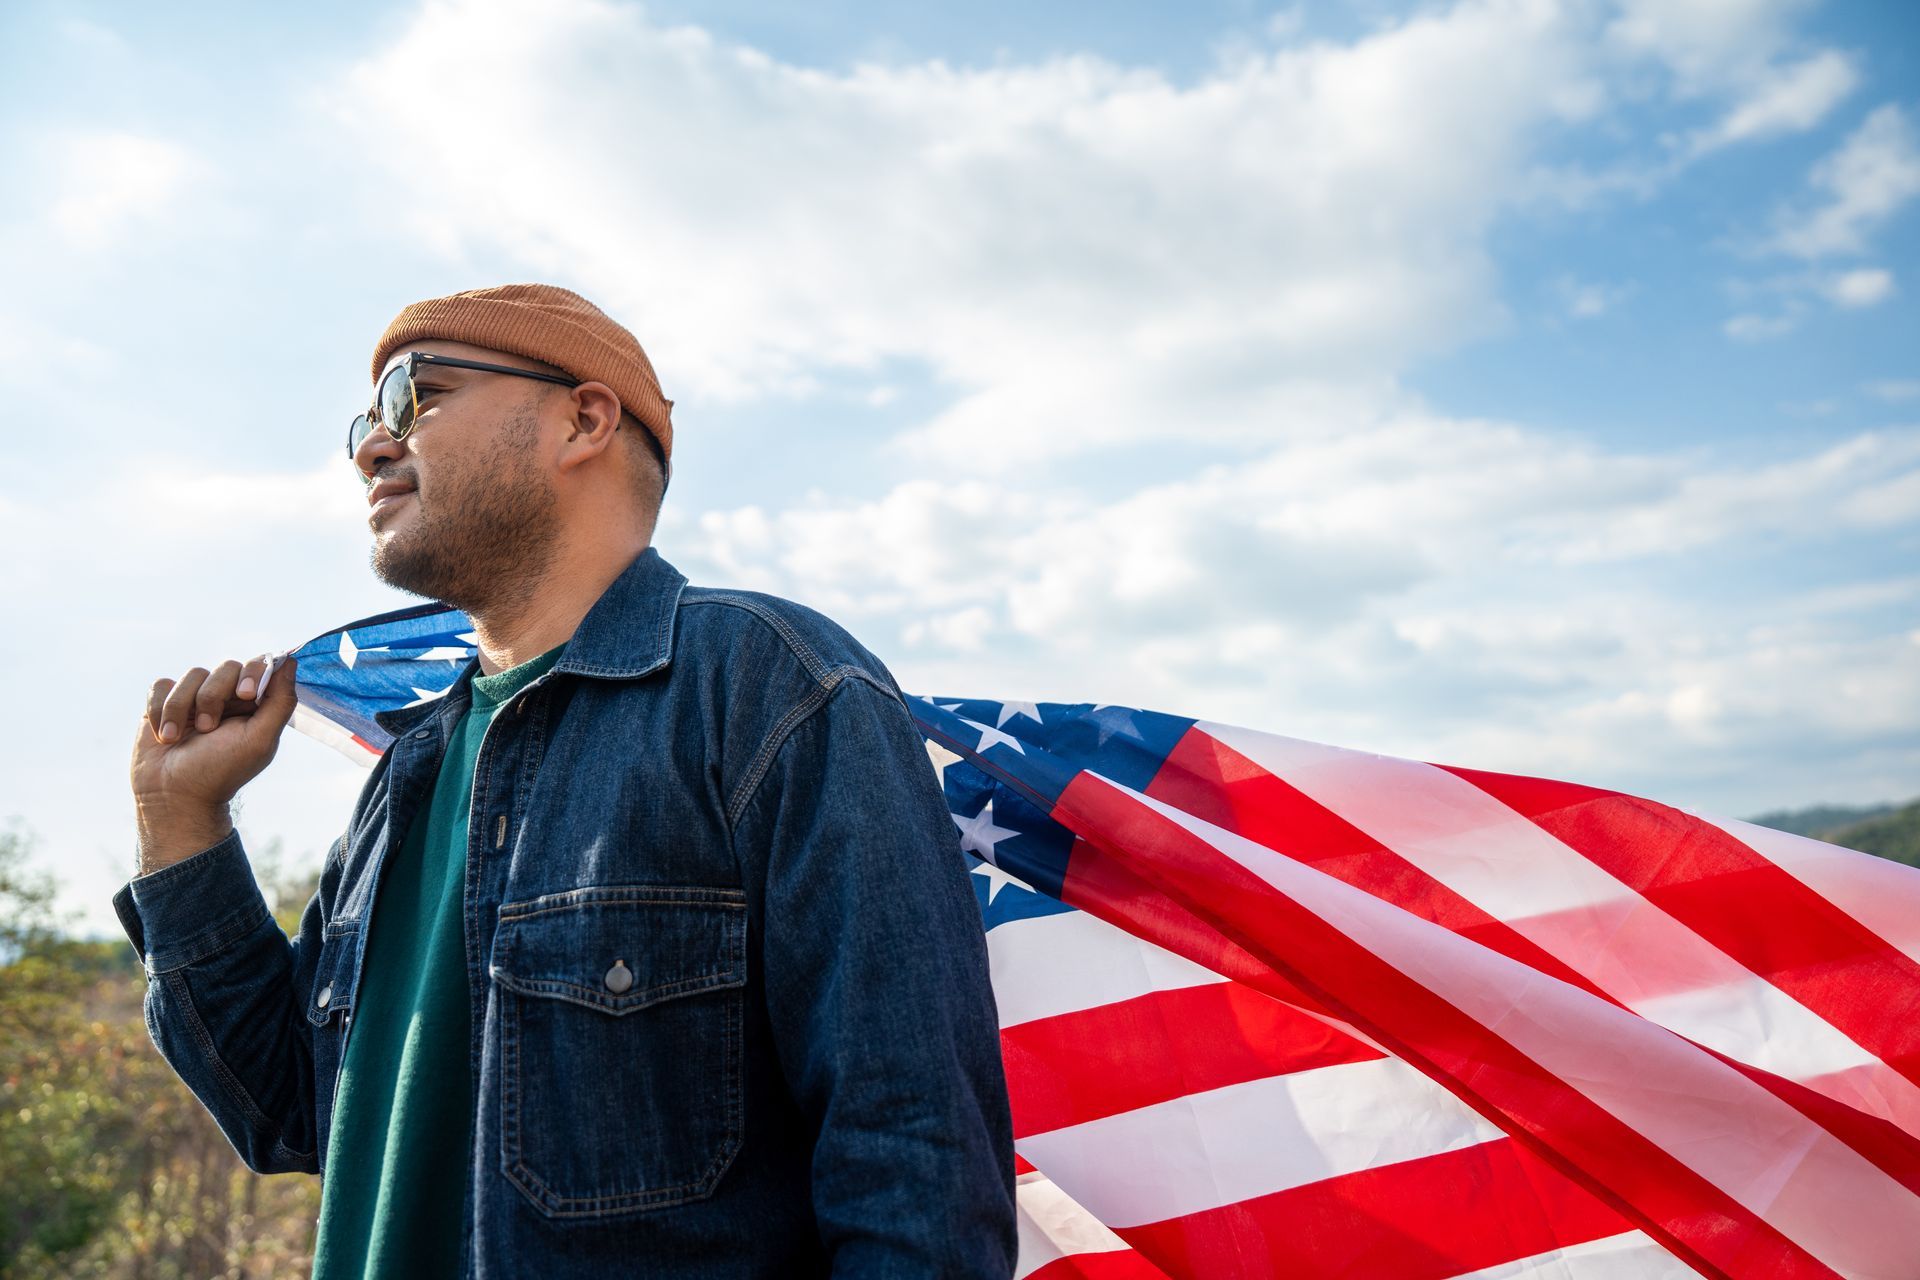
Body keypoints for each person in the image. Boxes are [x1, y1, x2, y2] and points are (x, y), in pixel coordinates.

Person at [117, 283, 1017, 1279]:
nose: (376, 444)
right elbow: (289, 1110)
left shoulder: (767, 688)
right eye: (363, 423)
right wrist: (181, 823)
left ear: (583, 418)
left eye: (415, 396)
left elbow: (913, 1163)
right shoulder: (407, 777)